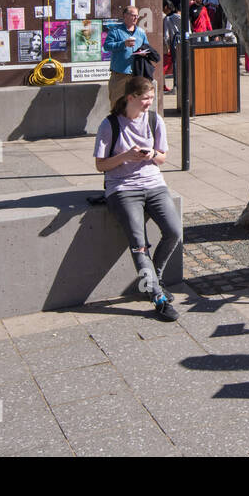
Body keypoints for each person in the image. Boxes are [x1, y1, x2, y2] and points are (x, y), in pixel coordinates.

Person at [93, 76, 182, 321]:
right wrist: (125, 157)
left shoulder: (154, 120)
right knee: (139, 244)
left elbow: (163, 158)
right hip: (122, 188)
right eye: (145, 99)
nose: (149, 103)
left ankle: (157, 276)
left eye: (151, 98)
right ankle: (157, 298)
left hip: (153, 184)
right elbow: (100, 165)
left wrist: (152, 153)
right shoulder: (109, 124)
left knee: (174, 232)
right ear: (130, 97)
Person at [104, 5, 151, 105]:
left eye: (137, 16)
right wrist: (123, 44)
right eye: (133, 15)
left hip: (136, 74)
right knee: (117, 103)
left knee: (135, 104)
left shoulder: (141, 32)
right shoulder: (116, 31)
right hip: (120, 74)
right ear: (125, 16)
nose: (136, 18)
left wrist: (144, 52)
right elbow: (107, 46)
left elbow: (147, 47)